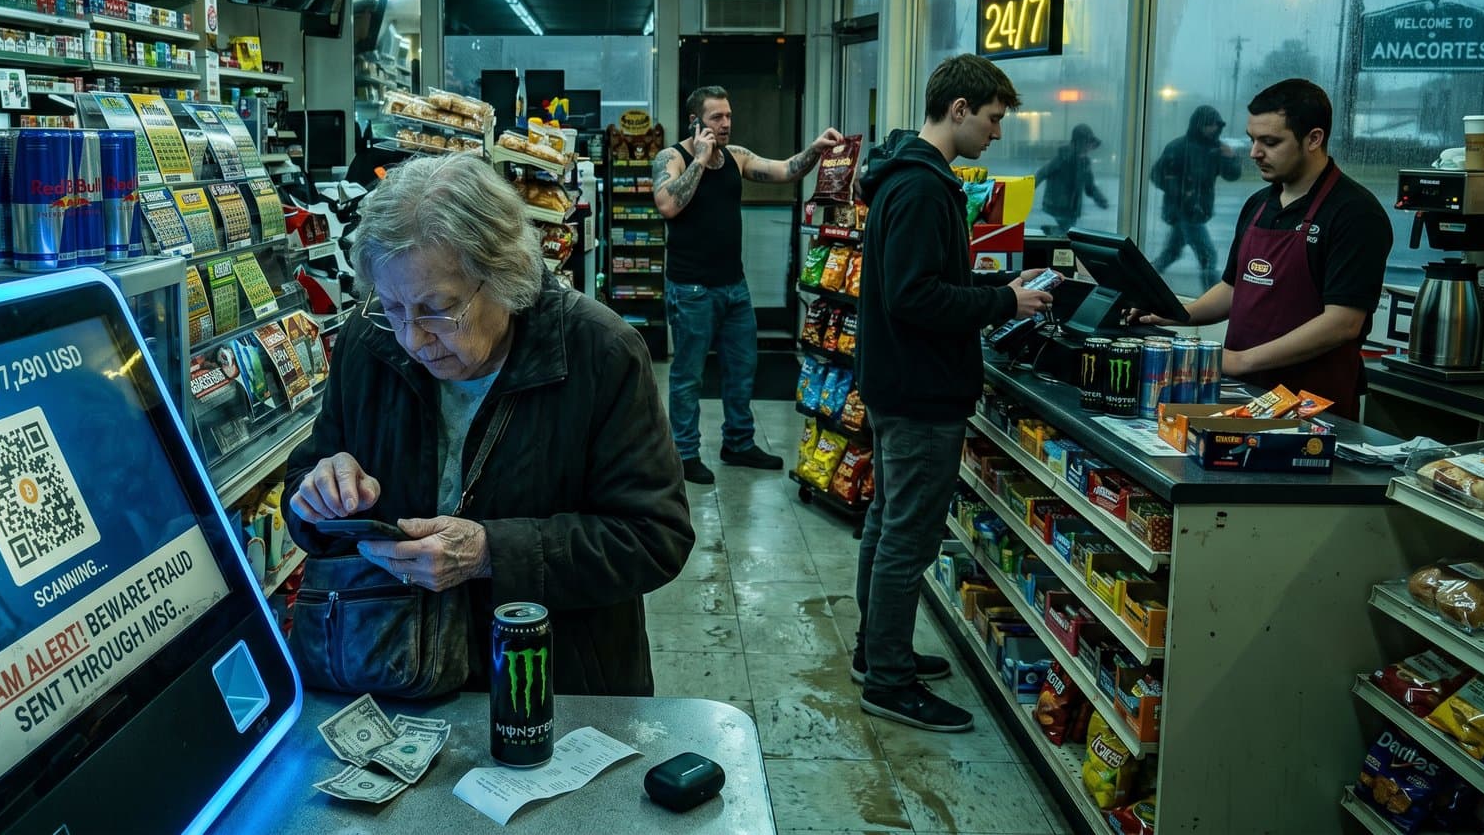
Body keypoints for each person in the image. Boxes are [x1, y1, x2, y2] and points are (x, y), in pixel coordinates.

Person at [282, 154, 693, 696]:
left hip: (551, 684)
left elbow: (654, 537)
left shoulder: (600, 353)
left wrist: (489, 554)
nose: (412, 338)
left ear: (504, 275)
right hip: (394, 672)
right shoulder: (368, 339)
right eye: (393, 306)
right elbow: (310, 481)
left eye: (437, 309)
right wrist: (320, 494)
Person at [852, 54, 1053, 733]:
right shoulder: (923, 188)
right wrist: (1005, 298)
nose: (998, 133)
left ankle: (876, 651)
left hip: (896, 381)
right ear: (960, 109)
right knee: (906, 536)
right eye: (994, 118)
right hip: (919, 390)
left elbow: (916, 283)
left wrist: (993, 291)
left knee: (887, 525)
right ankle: (887, 680)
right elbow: (913, 295)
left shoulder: (906, 177)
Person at [1130, 79, 1393, 419]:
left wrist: (1239, 359)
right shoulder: (1258, 205)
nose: (1254, 152)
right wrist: (1175, 314)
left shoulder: (1354, 213)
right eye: (1253, 139)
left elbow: (1342, 323)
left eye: (1270, 142)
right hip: (1246, 397)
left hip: (1310, 410)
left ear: (1314, 139)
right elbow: (1233, 288)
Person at [654, 85, 844, 484]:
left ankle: (738, 443)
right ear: (696, 122)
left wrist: (816, 148)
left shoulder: (736, 157)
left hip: (733, 287)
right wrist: (700, 162)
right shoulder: (672, 157)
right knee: (688, 375)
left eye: (728, 116)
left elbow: (784, 169)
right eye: (716, 118)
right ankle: (684, 453)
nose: (725, 124)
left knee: (742, 368)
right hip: (691, 289)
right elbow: (668, 204)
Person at [1150, 105, 1242, 294]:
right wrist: (1182, 192)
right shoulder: (1178, 147)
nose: (1213, 129)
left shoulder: (1216, 149)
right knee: (1208, 256)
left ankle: (1142, 279)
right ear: (1199, 125)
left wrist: (1230, 158)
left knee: (1171, 253)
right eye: (1209, 125)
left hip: (1198, 211)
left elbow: (1232, 175)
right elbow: (1156, 174)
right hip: (1182, 211)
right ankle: (1213, 300)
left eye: (1216, 125)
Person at [1035, 122, 1109, 235]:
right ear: (1080, 143)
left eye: (1090, 144)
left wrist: (1101, 200)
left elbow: (1090, 187)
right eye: (1088, 143)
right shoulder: (1063, 157)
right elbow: (1043, 172)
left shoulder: (1085, 163)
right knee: (1067, 233)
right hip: (1057, 206)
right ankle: (1052, 232)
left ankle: (1052, 232)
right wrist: (1027, 188)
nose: (1090, 147)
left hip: (1071, 209)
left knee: (1068, 233)